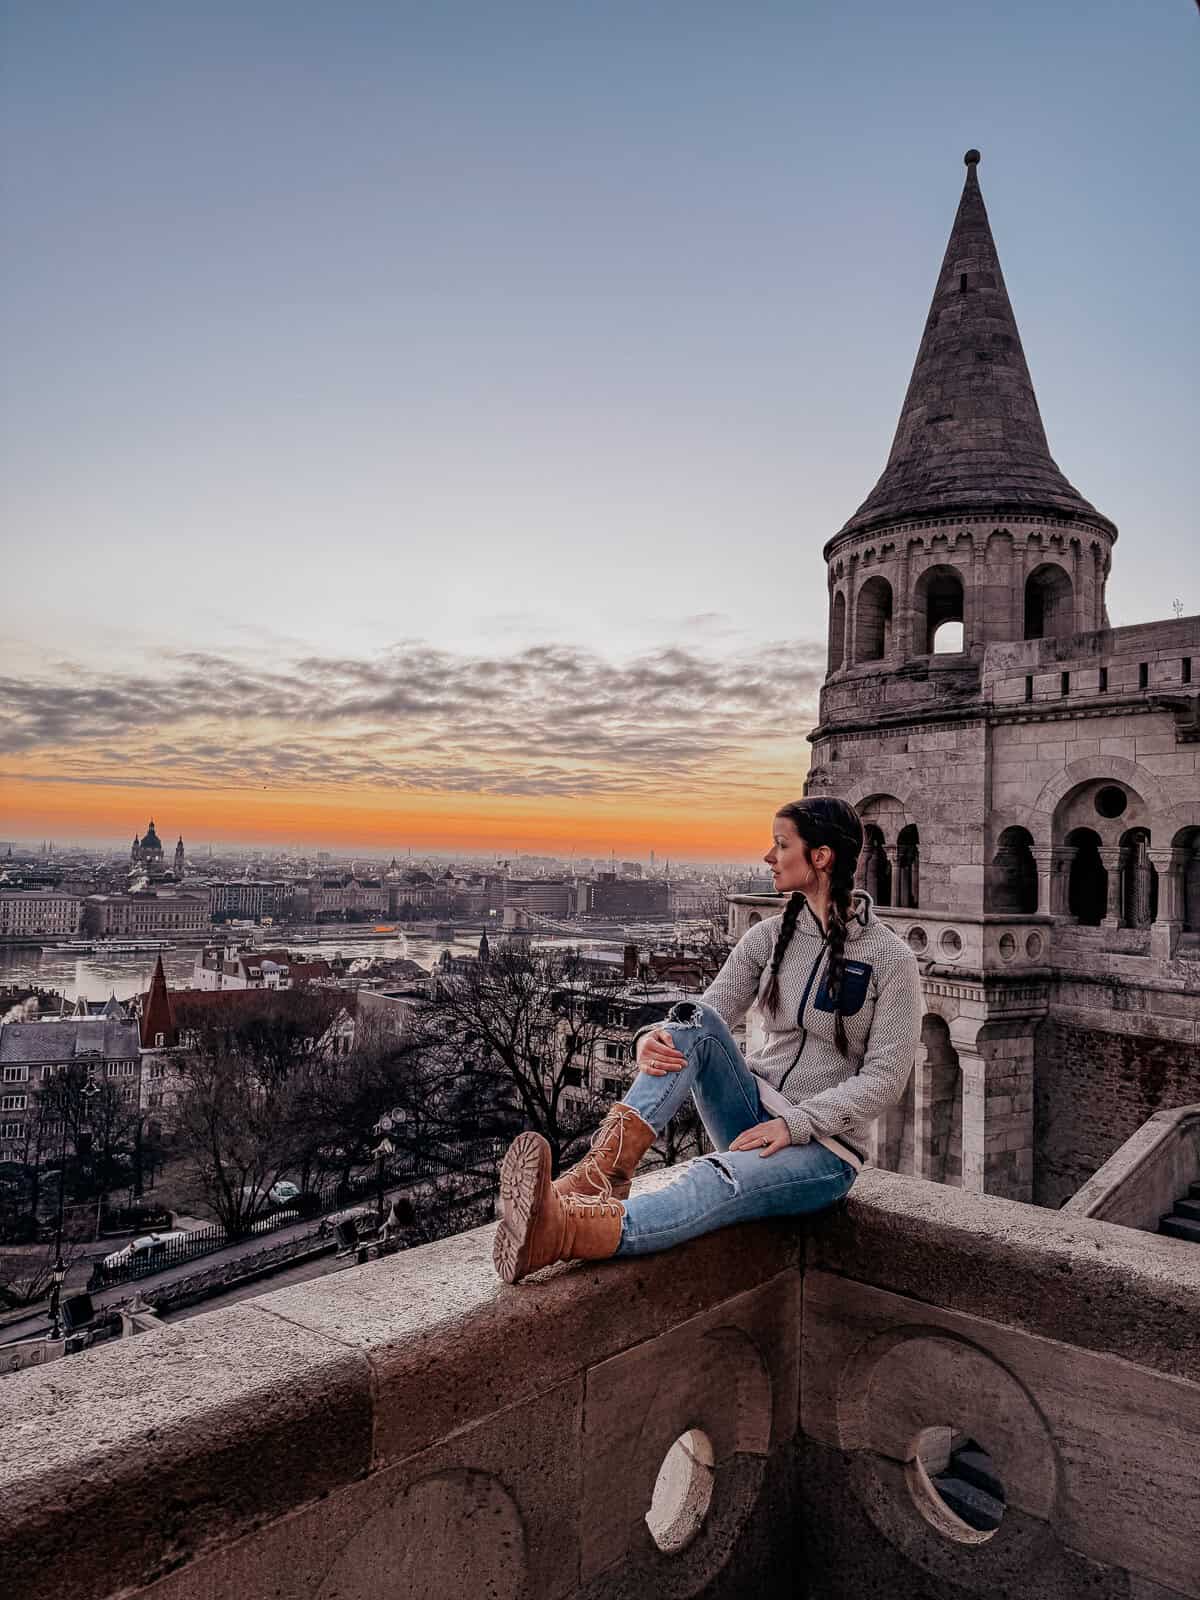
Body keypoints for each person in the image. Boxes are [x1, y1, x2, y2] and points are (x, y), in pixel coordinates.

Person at [492, 797, 922, 1285]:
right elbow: (703, 1019)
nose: (769, 856)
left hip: (824, 1149)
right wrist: (649, 1039)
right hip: (751, 1113)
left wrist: (797, 1124)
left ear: (820, 856)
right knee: (692, 1019)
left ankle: (564, 1231)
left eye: (781, 845)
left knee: (710, 1177)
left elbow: (886, 1080)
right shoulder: (768, 938)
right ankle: (602, 1175)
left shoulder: (890, 959)